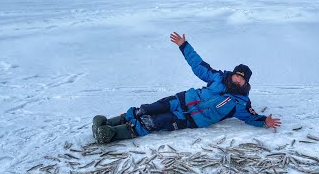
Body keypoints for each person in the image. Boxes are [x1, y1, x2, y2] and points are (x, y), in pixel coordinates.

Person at [92, 32, 282, 144]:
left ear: (246, 83)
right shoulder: (218, 77)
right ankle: (106, 123)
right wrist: (184, 46)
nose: (238, 80)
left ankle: (112, 134)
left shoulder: (241, 102)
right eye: (236, 75)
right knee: (145, 109)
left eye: (242, 79)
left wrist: (265, 121)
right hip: (181, 99)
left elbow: (250, 116)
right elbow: (198, 65)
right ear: (232, 74)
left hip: (190, 118)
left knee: (152, 122)